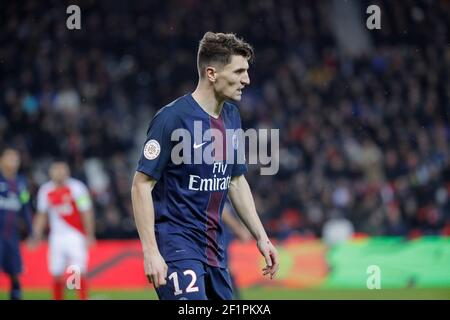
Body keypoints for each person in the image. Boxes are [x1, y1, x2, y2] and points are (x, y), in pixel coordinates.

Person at [131, 31, 279, 300]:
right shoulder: (172, 119)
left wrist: (262, 237)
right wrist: (150, 251)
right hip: (176, 246)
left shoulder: (231, 116)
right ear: (212, 74)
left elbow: (235, 181)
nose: (246, 79)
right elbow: (141, 185)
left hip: (214, 249)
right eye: (238, 72)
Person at [29, 161, 95, 300]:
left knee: (77, 271)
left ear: (67, 171)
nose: (59, 173)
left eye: (62, 170)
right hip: (56, 237)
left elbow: (86, 212)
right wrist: (36, 235)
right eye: (56, 170)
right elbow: (41, 214)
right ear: (51, 173)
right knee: (56, 272)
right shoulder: (45, 190)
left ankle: (82, 297)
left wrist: (89, 234)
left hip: (75, 235)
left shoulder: (77, 188)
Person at [0, 146, 33, 300]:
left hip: (11, 235)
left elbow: (25, 207)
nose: (14, 162)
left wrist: (32, 232)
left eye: (16, 159)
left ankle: (16, 294)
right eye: (10, 158)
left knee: (14, 271)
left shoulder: (21, 183)